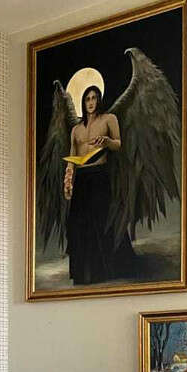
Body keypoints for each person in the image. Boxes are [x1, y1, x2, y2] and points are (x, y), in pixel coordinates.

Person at [63, 85, 134, 284]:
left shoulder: (109, 119)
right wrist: (68, 180)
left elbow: (118, 144)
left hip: (100, 174)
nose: (91, 102)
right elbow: (72, 156)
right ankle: (83, 273)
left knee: (102, 219)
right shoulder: (76, 129)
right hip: (82, 177)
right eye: (87, 99)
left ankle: (109, 269)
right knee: (78, 223)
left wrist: (107, 141)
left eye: (94, 98)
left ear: (99, 99)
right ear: (83, 102)